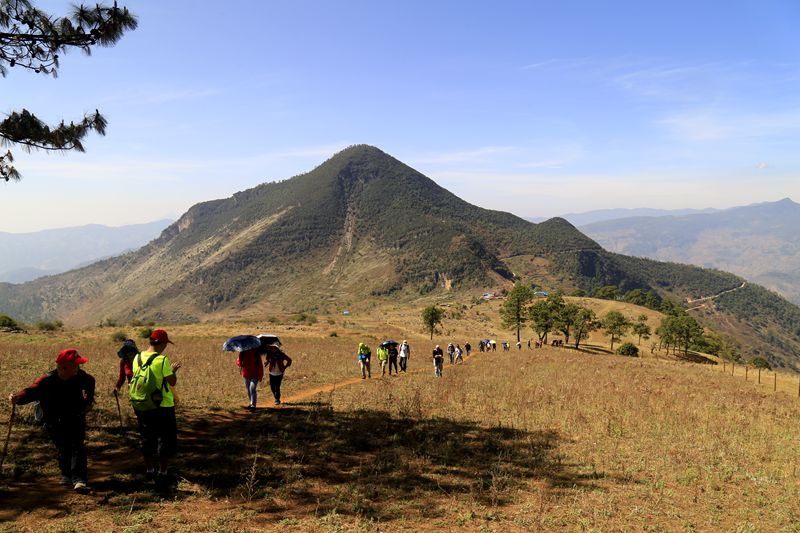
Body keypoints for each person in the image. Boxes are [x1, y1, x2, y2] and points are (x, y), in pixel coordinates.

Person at [9, 348, 95, 493]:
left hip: (76, 417)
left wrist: (88, 401)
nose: (78, 367)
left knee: (77, 446)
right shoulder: (47, 380)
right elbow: (31, 391)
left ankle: (79, 479)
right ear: (63, 367)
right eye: (76, 365)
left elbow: (91, 382)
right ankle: (66, 474)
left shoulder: (81, 377)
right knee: (63, 447)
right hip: (54, 421)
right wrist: (17, 397)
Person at [130, 329, 181, 490]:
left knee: (146, 436)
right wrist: (173, 371)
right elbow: (171, 382)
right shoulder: (162, 360)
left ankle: (149, 469)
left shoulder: (137, 357)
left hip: (142, 404)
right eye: (166, 343)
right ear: (162, 343)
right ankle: (163, 471)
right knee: (164, 438)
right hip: (162, 405)